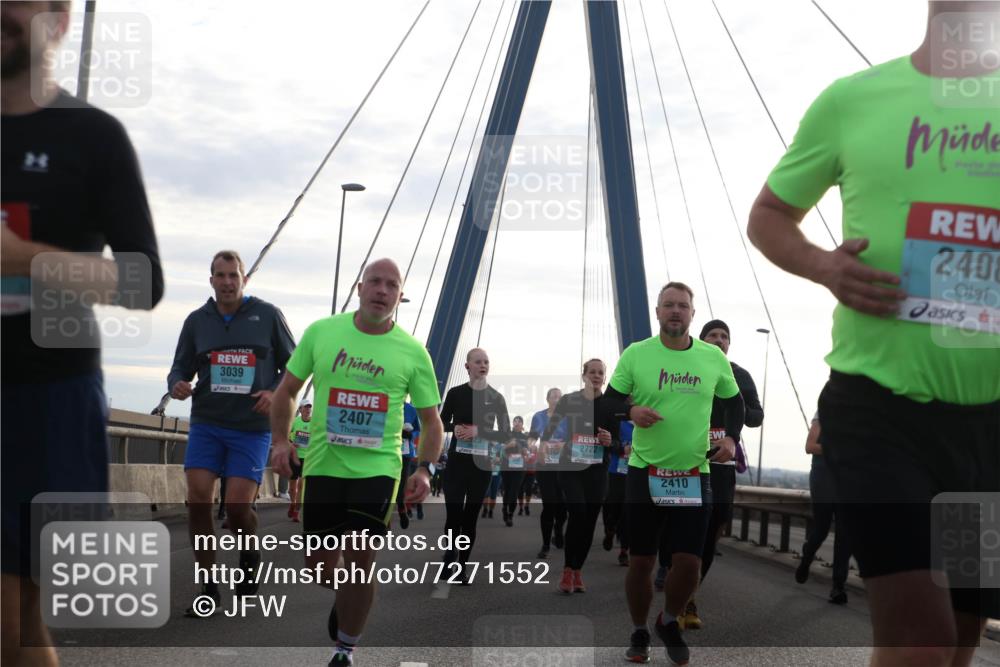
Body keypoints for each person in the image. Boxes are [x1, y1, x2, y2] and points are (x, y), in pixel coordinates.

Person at [747, 4, 999, 664]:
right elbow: (770, 214)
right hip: (877, 410)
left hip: (989, 429)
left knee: (964, 630)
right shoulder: (851, 101)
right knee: (923, 634)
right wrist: (825, 264)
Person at [1, 3, 164, 663]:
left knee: (14, 623)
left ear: (59, 19)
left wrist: (24, 257)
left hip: (48, 401)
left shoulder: (91, 136)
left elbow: (141, 280)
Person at [270, 258, 443, 666]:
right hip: (323, 466)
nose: (382, 291)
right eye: (375, 282)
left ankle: (345, 648)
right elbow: (287, 391)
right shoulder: (322, 333)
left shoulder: (414, 352)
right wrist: (280, 440)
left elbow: (432, 421)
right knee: (320, 569)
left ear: (401, 296)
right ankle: (347, 601)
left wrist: (424, 467)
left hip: (378, 470)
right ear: (359, 288)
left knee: (360, 557)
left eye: (392, 285)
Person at [604, 282, 744, 665]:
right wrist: (630, 412)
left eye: (683, 306)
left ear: (692, 315)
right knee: (642, 561)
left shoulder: (713, 359)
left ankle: (669, 619)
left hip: (693, 473)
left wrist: (731, 439)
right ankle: (638, 629)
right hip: (644, 472)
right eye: (669, 305)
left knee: (689, 561)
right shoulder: (637, 355)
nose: (676, 311)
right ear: (658, 312)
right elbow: (609, 401)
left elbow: (735, 404)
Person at [168, 250, 296, 616]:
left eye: (233, 276)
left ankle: (249, 551)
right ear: (211, 280)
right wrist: (177, 382)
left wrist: (274, 390)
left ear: (244, 280)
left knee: (239, 505)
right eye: (220, 276)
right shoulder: (197, 321)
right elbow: (180, 365)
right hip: (208, 421)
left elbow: (296, 365)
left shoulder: (268, 315)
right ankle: (207, 584)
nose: (227, 282)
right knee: (198, 499)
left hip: (251, 428)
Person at [661, 319, 764, 629]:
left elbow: (757, 417)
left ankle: (689, 596)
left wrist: (738, 407)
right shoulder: (685, 368)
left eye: (724, 336)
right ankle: (673, 582)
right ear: (701, 340)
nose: (719, 340)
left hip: (721, 466)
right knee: (682, 528)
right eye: (713, 335)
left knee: (713, 529)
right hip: (685, 462)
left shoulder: (740, 375)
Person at [540, 359, 621, 595]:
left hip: (597, 471)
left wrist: (610, 441)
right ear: (583, 375)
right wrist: (544, 444)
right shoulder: (570, 400)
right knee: (578, 512)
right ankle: (567, 570)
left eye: (600, 373)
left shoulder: (610, 405)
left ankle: (577, 570)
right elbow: (552, 424)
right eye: (592, 372)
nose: (596, 376)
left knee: (588, 521)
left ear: (605, 378)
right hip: (571, 467)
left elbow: (617, 444)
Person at [439, 348, 510, 582]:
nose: (483, 365)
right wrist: (454, 429)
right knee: (453, 515)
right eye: (478, 362)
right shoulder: (455, 393)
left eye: (486, 362)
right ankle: (449, 561)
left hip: (482, 466)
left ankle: (462, 566)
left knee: (470, 518)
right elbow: (441, 423)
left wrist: (480, 431)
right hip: (457, 464)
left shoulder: (496, 398)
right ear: (467, 366)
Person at [796, 413, 851, 605]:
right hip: (824, 477)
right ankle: (807, 555)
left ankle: (838, 587)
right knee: (821, 530)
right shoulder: (823, 414)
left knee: (845, 535)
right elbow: (809, 446)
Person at [530, 388, 567, 559]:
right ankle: (545, 544)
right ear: (547, 399)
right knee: (549, 504)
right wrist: (530, 445)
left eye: (560, 397)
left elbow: (573, 438)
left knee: (563, 507)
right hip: (544, 464)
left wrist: (563, 445)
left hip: (563, 464)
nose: (557, 399)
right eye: (554, 396)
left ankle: (558, 530)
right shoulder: (538, 416)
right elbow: (533, 436)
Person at [603, 420, 633, 567]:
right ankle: (610, 529)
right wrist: (623, 448)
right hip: (617, 471)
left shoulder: (648, 423)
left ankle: (624, 551)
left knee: (629, 512)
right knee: (614, 507)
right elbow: (609, 444)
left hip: (637, 472)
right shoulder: (619, 422)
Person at [395, 401, 421, 529]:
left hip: (405, 453)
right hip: (386, 451)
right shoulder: (385, 402)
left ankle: (401, 509)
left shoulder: (411, 409)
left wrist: (411, 435)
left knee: (401, 485)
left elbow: (417, 429)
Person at [500, 416, 529, 527]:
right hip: (506, 466)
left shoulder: (525, 437)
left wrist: (526, 452)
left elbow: (527, 451)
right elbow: (500, 449)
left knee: (514, 491)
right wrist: (508, 445)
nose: (517, 423)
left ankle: (510, 515)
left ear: (522, 425)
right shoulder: (507, 434)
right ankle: (504, 508)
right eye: (515, 421)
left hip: (520, 468)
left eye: (519, 421)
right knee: (507, 491)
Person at [287, 400, 313, 523]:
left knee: (301, 485)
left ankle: (296, 512)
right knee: (292, 487)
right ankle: (292, 504)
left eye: (309, 408)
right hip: (294, 456)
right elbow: (287, 435)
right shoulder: (295, 421)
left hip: (307, 458)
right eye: (306, 408)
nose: (308, 410)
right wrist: (292, 443)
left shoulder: (314, 423)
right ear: (301, 409)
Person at [517, 439, 537, 517]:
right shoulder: (523, 450)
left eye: (534, 447)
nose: (532, 447)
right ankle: (521, 508)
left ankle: (527, 506)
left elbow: (536, 462)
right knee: (520, 490)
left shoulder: (536, 454)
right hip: (522, 473)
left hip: (531, 474)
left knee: (529, 489)